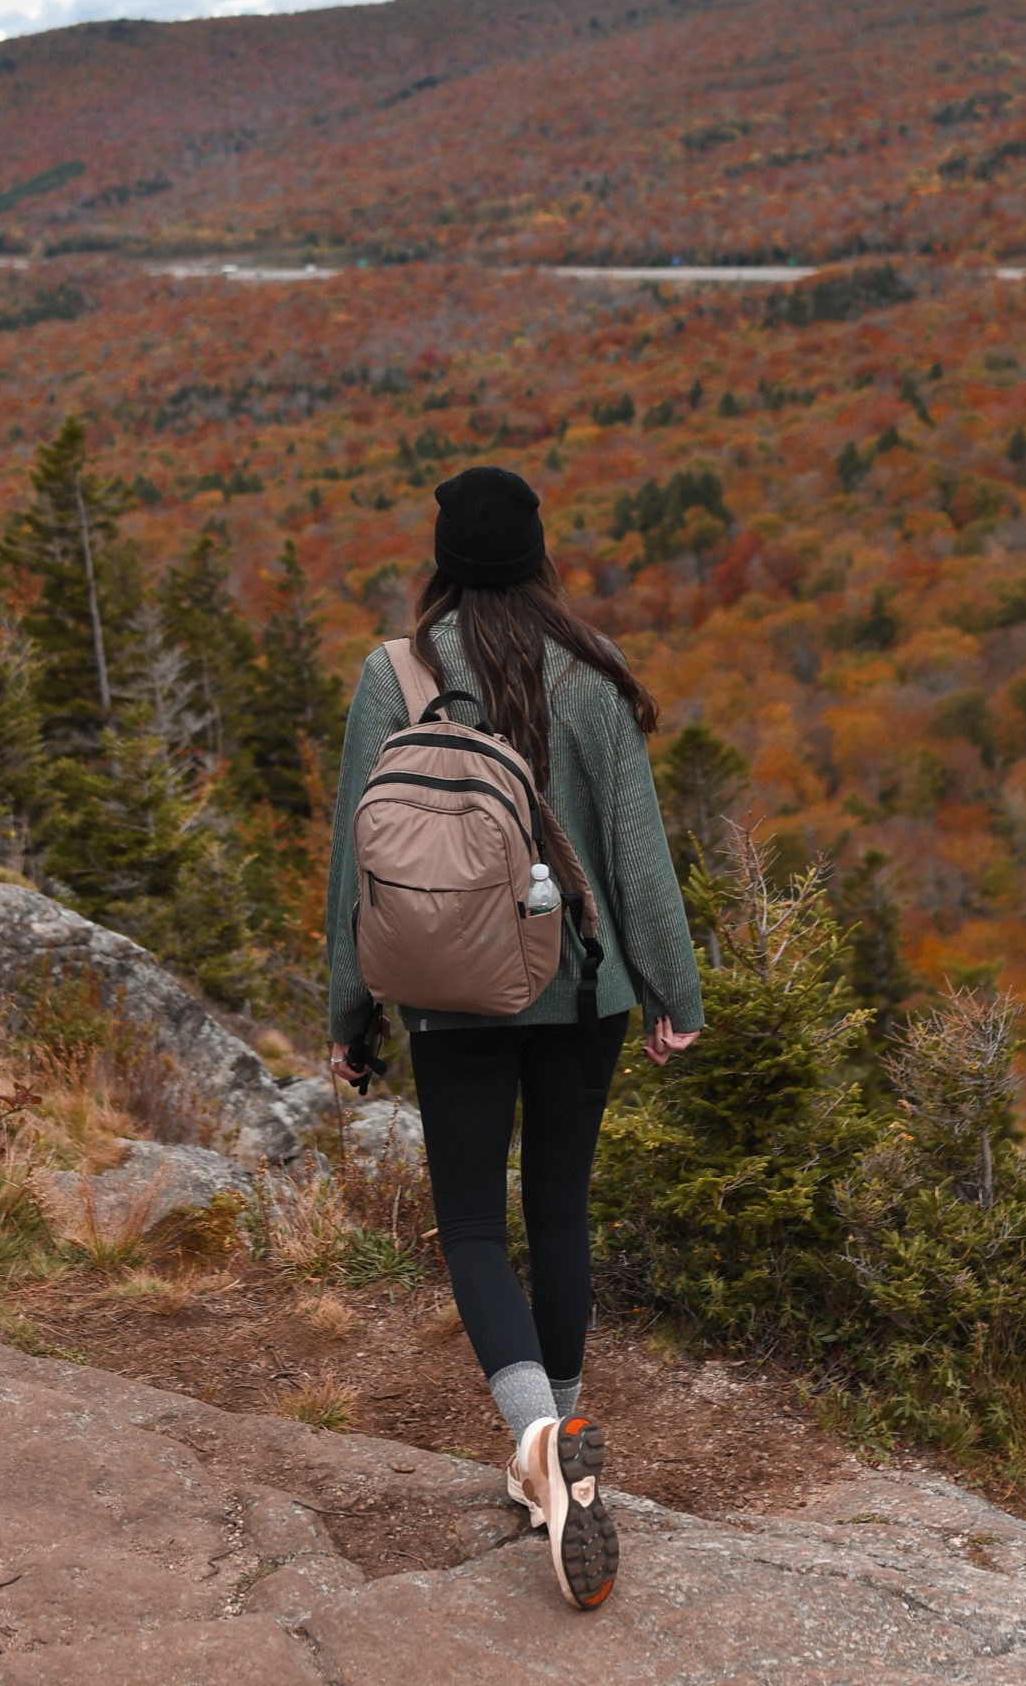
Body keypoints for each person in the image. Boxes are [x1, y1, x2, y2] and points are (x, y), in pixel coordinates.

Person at [325, 465, 703, 1611]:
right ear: (538, 557)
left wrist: (350, 1014)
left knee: (473, 1226)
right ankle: (561, 1443)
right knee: (559, 1210)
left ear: (441, 560)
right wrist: (675, 992)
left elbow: (357, 865)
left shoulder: (394, 674)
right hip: (581, 988)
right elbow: (636, 852)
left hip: (451, 994)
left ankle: (539, 1441)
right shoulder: (587, 672)